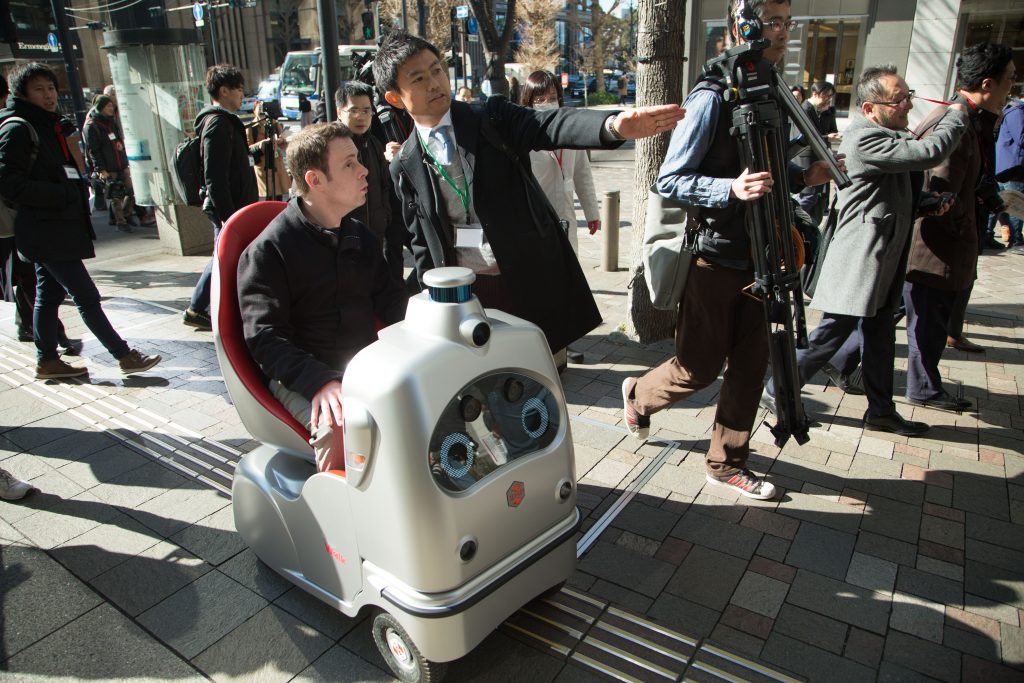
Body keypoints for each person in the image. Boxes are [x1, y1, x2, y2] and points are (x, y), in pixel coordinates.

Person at [621, 0, 836, 501]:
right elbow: (670, 179)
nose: (781, 32)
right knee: (696, 368)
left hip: (768, 255)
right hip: (714, 259)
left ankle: (726, 463)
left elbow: (771, 173)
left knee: (751, 364)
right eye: (771, 22)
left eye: (787, 22)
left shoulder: (773, 89)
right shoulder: (711, 98)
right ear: (745, 26)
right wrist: (728, 190)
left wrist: (806, 175)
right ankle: (639, 394)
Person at [375, 30, 684, 357]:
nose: (435, 83)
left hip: (524, 276)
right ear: (395, 97)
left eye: (437, 70)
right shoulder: (404, 165)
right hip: (464, 294)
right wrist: (434, 301)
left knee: (538, 376)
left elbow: (548, 125)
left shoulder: (490, 117)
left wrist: (612, 126)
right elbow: (422, 242)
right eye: (419, 78)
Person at [762, 64, 967, 436]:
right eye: (898, 98)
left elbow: (885, 195)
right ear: (871, 107)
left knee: (879, 338)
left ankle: (882, 411)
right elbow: (929, 152)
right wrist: (957, 115)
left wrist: (925, 202)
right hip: (860, 260)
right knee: (829, 336)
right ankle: (776, 388)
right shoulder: (866, 138)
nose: (907, 104)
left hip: (881, 261)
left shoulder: (889, 134)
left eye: (909, 95)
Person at [238, 122, 408, 472]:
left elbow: (393, 302)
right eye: (349, 164)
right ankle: (345, 518)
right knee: (345, 432)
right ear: (314, 180)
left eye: (358, 160)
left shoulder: (360, 236)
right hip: (303, 375)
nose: (364, 170)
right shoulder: (269, 250)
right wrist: (320, 381)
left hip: (360, 366)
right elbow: (265, 338)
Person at [0, 63, 162, 379]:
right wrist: (60, 193)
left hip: (57, 227)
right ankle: (124, 355)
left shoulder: (49, 125)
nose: (48, 96)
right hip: (44, 228)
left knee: (48, 295)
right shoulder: (17, 128)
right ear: (23, 94)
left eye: (50, 88)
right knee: (85, 295)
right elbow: (7, 183)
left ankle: (47, 360)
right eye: (39, 90)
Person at [903, 43, 1015, 408]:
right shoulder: (955, 123)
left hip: (946, 244)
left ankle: (837, 362)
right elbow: (940, 193)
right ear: (987, 83)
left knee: (900, 313)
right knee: (925, 322)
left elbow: (973, 178)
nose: (1011, 89)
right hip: (935, 246)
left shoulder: (972, 120)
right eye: (1009, 80)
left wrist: (997, 207)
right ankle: (923, 389)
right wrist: (966, 226)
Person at [183, 64, 258, 331]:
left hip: (236, 206)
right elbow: (214, 176)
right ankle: (199, 307)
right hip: (229, 208)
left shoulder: (225, 122)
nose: (242, 95)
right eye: (238, 89)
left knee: (225, 257)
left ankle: (203, 306)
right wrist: (229, 217)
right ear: (223, 91)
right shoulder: (217, 123)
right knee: (223, 258)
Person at [520, 70, 601, 254]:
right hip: (535, 217)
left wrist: (591, 212)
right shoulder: (523, 135)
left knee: (568, 266)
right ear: (529, 101)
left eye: (552, 97)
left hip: (566, 213)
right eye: (540, 99)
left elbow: (582, 172)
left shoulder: (570, 130)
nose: (547, 103)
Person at [335, 81, 406, 281]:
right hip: (344, 238)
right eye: (354, 110)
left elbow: (384, 187)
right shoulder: (329, 144)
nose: (361, 117)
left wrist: (385, 217)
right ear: (339, 112)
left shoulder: (374, 143)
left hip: (375, 234)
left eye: (366, 111)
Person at [84, 94, 137, 231]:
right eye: (108, 106)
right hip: (108, 166)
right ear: (101, 108)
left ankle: (126, 215)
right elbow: (93, 151)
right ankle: (121, 222)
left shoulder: (111, 122)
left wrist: (120, 145)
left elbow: (118, 137)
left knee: (131, 191)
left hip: (121, 162)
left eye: (112, 105)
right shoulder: (92, 126)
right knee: (115, 196)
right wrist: (101, 169)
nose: (111, 108)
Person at [795, 81, 841, 225]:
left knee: (818, 198)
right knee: (809, 195)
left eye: (830, 97)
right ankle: (793, 219)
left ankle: (810, 227)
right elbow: (805, 136)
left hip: (822, 155)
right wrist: (827, 137)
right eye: (825, 96)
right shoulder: (804, 109)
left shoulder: (828, 111)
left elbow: (832, 129)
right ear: (815, 94)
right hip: (806, 157)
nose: (828, 99)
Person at [247, 99, 290, 200]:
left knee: (279, 195)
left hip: (276, 163)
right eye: (260, 109)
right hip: (262, 165)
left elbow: (284, 141)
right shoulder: (251, 127)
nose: (262, 112)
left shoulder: (274, 123)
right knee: (267, 196)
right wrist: (260, 144)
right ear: (254, 111)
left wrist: (281, 140)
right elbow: (247, 147)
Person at [996, 96, 1024, 247]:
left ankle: (988, 235)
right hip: (1013, 166)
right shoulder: (1018, 111)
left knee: (1003, 202)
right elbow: (1021, 138)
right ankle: (1016, 240)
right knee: (1016, 202)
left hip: (1010, 164)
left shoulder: (1013, 109)